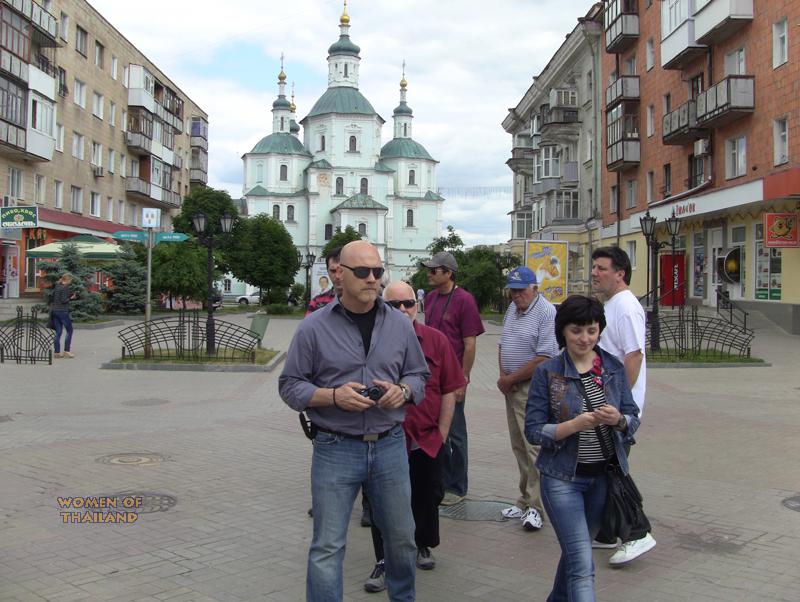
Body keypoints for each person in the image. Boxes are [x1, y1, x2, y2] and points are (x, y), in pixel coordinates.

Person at [279, 240, 430, 602]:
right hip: (335, 447)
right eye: (362, 272)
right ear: (340, 276)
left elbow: (419, 376)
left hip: (390, 445)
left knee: (402, 540)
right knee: (328, 546)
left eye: (378, 271)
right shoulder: (313, 328)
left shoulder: (400, 324)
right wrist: (332, 396)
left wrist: (403, 392)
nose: (372, 279)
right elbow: (290, 385)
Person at [526, 295, 640, 602]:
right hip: (562, 479)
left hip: (603, 479)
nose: (585, 338)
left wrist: (619, 420)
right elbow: (533, 431)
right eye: (576, 330)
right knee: (582, 564)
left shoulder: (613, 368)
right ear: (563, 330)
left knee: (576, 556)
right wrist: (574, 425)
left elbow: (633, 419)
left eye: (591, 330)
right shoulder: (547, 372)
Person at [363, 281, 465, 593]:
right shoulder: (372, 343)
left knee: (426, 496)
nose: (402, 310)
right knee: (382, 504)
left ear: (416, 306)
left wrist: (444, 432)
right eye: (394, 305)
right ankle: (384, 560)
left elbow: (450, 388)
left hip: (426, 438)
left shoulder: (436, 341)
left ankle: (422, 544)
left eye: (408, 304)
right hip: (384, 440)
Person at [590, 246, 657, 565]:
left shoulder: (627, 307)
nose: (594, 273)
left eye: (601, 268)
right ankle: (606, 532)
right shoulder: (613, 305)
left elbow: (633, 356)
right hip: (609, 404)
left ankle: (637, 532)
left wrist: (619, 405)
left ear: (620, 273)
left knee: (615, 472)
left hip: (619, 409)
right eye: (594, 268)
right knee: (606, 470)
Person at [305, 245, 371, 527]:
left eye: (338, 270)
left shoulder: (372, 308)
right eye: (331, 271)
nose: (335, 276)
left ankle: (370, 504)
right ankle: (325, 501)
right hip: (331, 411)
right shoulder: (319, 305)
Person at [497, 266, 558, 531]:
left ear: (535, 288)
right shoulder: (513, 309)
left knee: (533, 446)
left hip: (532, 387)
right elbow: (503, 343)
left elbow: (545, 357)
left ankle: (537, 506)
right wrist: (502, 376)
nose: (516, 295)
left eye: (521, 290)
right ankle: (524, 498)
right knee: (518, 445)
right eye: (513, 290)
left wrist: (510, 379)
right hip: (511, 386)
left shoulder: (546, 312)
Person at [421, 251, 484, 505]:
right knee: (438, 431)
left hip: (454, 379)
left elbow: (469, 345)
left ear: (449, 273)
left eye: (434, 270)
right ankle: (440, 482)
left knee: (456, 433)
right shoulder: (433, 298)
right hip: (432, 379)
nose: (429, 273)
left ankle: (457, 487)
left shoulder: (464, 300)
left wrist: (464, 380)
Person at [305, 246, 343, 315]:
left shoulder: (361, 300)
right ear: (327, 271)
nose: (337, 276)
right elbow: (308, 325)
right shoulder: (317, 301)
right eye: (333, 271)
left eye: (342, 271)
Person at [51, 273, 75, 359]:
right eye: (70, 281)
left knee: (58, 332)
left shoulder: (57, 286)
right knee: (70, 330)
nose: (70, 282)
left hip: (55, 311)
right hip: (62, 311)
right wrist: (71, 298)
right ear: (67, 280)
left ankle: (56, 352)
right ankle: (66, 351)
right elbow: (64, 300)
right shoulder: (65, 288)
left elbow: (55, 297)